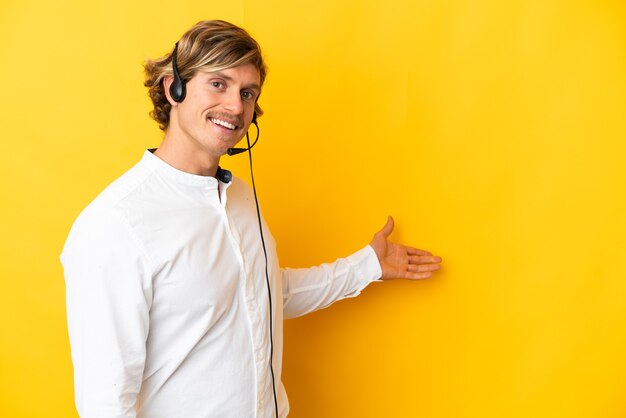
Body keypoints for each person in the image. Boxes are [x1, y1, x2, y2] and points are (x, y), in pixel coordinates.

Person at [60, 20, 442, 418]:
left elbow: (261, 294)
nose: (236, 107)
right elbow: (104, 403)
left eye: (247, 93)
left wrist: (368, 266)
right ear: (173, 88)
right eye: (218, 84)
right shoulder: (115, 224)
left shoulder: (239, 197)